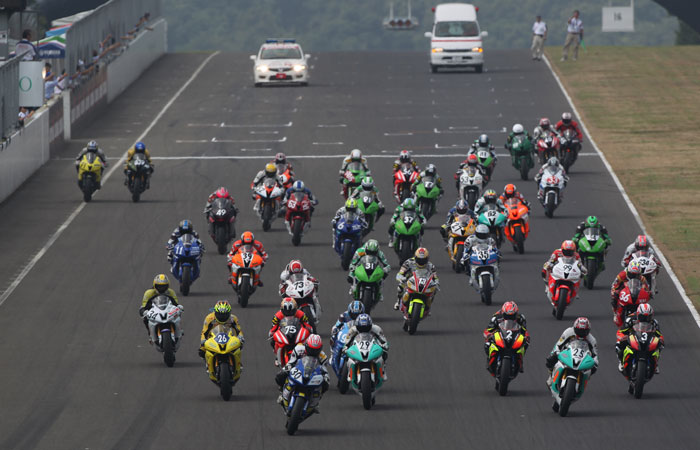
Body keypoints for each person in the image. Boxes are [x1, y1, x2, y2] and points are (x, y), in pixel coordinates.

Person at [545, 317, 598, 408]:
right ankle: (551, 375)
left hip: (582, 358)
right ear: (575, 328)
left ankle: (580, 385)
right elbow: (558, 344)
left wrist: (595, 362)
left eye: (584, 331)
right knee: (550, 360)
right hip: (568, 353)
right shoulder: (568, 332)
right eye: (579, 330)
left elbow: (595, 354)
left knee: (592, 369)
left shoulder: (592, 339)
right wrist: (555, 353)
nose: (581, 333)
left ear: (588, 331)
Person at [276, 334, 329, 412]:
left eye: (316, 350)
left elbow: (324, 369)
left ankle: (316, 402)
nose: (313, 352)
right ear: (306, 345)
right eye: (311, 349)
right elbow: (291, 361)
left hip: (312, 374)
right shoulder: (299, 349)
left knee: (326, 384)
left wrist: (325, 377)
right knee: (280, 375)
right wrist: (287, 369)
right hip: (298, 370)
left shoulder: (323, 356)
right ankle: (281, 392)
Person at [616, 303, 663, 374]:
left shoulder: (654, 323)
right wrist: (622, 337)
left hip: (648, 339)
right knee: (619, 344)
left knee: (659, 346)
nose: (645, 319)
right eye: (643, 317)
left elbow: (659, 335)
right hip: (632, 337)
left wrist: (661, 340)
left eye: (648, 317)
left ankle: (655, 363)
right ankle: (621, 362)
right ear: (638, 314)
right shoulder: (630, 319)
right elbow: (620, 332)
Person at [483, 301, 530, 372]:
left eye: (512, 316)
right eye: (507, 316)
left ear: (516, 314)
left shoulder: (521, 318)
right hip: (500, 335)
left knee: (525, 344)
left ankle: (520, 361)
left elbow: (524, 330)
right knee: (487, 344)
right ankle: (490, 359)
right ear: (503, 313)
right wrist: (489, 335)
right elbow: (488, 330)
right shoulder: (496, 317)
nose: (510, 318)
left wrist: (526, 337)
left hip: (514, 335)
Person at [343, 314, 389, 380]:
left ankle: (383, 370)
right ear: (357, 326)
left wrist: (384, 345)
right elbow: (347, 341)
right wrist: (345, 347)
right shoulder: (352, 330)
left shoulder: (376, 329)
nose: (363, 330)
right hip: (357, 345)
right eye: (361, 328)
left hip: (373, 345)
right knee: (346, 355)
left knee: (384, 352)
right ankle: (349, 372)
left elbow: (383, 339)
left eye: (366, 328)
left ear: (370, 325)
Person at [139, 274, 180, 341]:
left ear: (168, 285)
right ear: (154, 285)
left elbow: (175, 304)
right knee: (144, 317)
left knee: (178, 313)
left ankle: (178, 331)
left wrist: (178, 308)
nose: (162, 288)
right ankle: (150, 332)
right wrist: (144, 311)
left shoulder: (171, 292)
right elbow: (144, 305)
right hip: (154, 310)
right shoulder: (148, 293)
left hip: (167, 309)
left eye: (164, 286)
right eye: (159, 286)